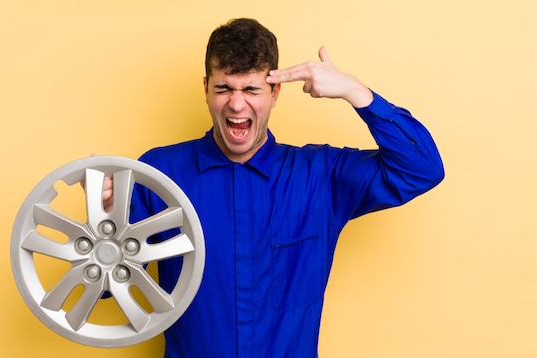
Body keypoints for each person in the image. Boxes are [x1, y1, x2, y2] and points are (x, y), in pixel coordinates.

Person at [110, 18, 444, 357]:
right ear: (206, 89)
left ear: (274, 93)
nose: (237, 105)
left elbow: (421, 168)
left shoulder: (320, 176)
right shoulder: (159, 174)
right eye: (224, 88)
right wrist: (105, 223)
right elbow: (110, 282)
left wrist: (356, 92)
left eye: (252, 89)